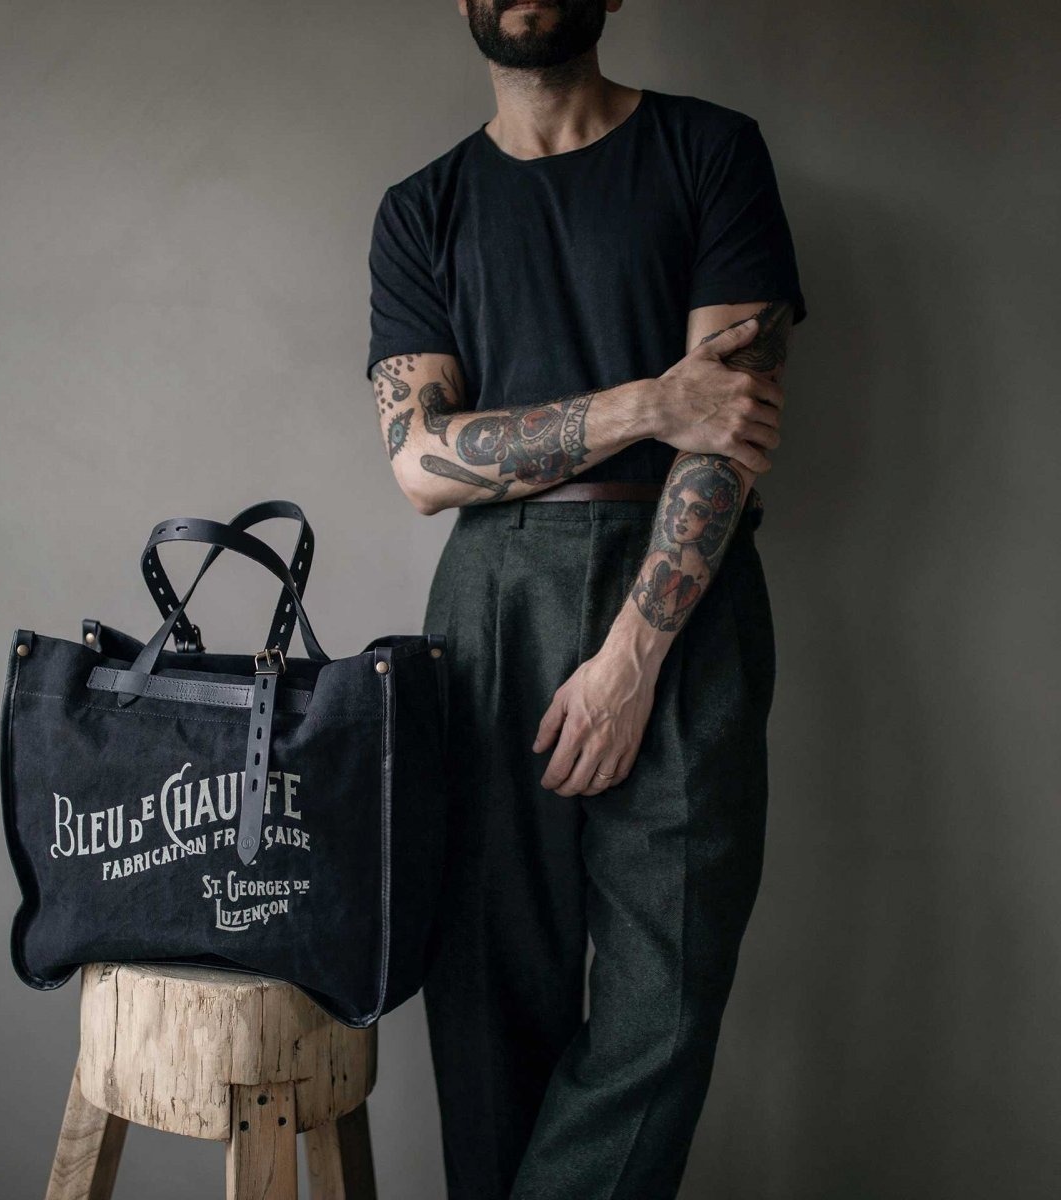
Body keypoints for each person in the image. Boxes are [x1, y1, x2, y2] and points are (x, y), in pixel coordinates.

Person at [365, 3, 807, 1196]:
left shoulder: (712, 152)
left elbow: (728, 431)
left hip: (682, 593)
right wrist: (645, 403)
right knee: (486, 996)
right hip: (490, 600)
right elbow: (421, 466)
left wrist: (631, 658)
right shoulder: (422, 209)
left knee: (665, 1006)